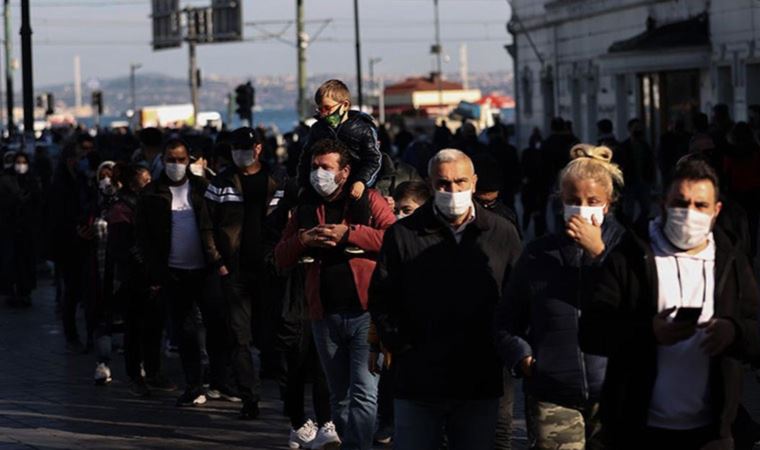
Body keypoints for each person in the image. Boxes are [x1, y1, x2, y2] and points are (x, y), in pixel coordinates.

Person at [579, 159, 760, 450]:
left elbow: (755, 330)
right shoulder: (631, 254)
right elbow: (591, 332)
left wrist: (733, 332)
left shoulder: (731, 260)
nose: (689, 213)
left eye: (700, 205)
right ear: (663, 204)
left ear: (716, 211)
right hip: (640, 430)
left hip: (710, 433)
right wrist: (649, 332)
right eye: (680, 203)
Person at [369, 149, 522, 450]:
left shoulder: (501, 233)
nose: (452, 191)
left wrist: (503, 347)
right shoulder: (403, 234)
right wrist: (401, 343)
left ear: (474, 183)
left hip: (480, 381)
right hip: (418, 382)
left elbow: (517, 298)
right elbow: (383, 295)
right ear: (430, 184)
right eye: (443, 184)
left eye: (460, 182)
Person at [496, 144, 626, 450]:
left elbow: (639, 307)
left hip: (616, 392)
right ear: (560, 202)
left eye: (592, 201)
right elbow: (506, 319)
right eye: (573, 201)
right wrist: (524, 358)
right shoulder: (538, 253)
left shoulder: (628, 249)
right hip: (552, 394)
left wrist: (598, 254)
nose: (582, 208)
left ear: (608, 204)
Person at [276, 138, 395, 450]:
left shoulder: (368, 200)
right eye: (315, 167)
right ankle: (354, 441)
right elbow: (280, 256)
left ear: (344, 172)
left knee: (365, 391)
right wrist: (305, 240)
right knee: (338, 395)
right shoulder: (305, 207)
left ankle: (358, 446)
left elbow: (395, 239)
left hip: (366, 312)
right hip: (324, 314)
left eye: (326, 168)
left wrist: (350, 234)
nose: (319, 174)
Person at [202, 127, 281, 419]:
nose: (239, 152)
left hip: (269, 269)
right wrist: (217, 261)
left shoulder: (278, 180)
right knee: (240, 338)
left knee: (273, 332)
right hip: (234, 271)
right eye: (234, 147)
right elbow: (207, 225)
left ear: (258, 148)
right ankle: (250, 397)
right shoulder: (221, 183)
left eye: (244, 147)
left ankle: (287, 393)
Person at [135, 138, 217, 407]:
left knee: (217, 326)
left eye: (181, 160)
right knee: (185, 332)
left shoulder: (202, 189)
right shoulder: (151, 194)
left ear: (189, 160)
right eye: (171, 159)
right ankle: (194, 384)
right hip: (173, 273)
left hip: (205, 270)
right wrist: (153, 270)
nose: (176, 165)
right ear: (162, 159)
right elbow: (143, 237)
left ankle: (218, 379)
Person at [368, 180, 432, 447]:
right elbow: (380, 298)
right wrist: (375, 345)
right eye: (399, 210)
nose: (401, 216)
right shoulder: (393, 244)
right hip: (395, 348)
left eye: (409, 209)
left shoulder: (437, 246)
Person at [298, 79, 383, 228]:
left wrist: (361, 181)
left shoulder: (362, 129)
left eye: (327, 108)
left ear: (345, 105)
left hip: (353, 180)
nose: (323, 114)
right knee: (307, 200)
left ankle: (358, 233)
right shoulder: (318, 129)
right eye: (320, 109)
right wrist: (303, 182)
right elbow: (306, 158)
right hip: (326, 178)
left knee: (360, 201)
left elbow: (373, 159)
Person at [47, 141, 99, 353]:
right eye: (80, 156)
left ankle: (87, 335)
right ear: (71, 159)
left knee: (84, 289)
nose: (83, 159)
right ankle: (72, 335)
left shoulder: (79, 180)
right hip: (68, 243)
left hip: (81, 240)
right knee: (73, 289)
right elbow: (58, 216)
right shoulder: (60, 183)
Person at [3, 152, 42, 307]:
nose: (21, 165)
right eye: (18, 162)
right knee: (12, 263)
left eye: (23, 162)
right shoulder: (7, 180)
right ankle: (12, 293)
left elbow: (38, 203)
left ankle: (25, 292)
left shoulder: (32, 181)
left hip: (27, 230)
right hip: (11, 229)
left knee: (26, 262)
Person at [618, 118, 656, 222]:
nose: (638, 130)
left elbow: (651, 163)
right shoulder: (623, 146)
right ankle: (630, 230)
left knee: (646, 208)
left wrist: (651, 180)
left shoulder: (645, 146)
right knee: (628, 211)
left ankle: (638, 226)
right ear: (630, 129)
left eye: (640, 128)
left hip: (644, 182)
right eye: (636, 128)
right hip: (629, 182)